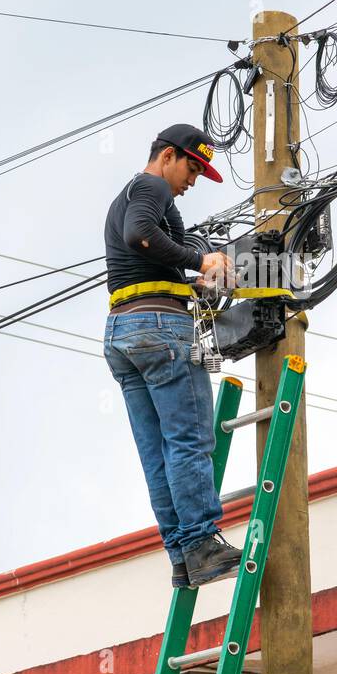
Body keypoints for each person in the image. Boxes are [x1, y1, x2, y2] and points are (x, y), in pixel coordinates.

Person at [103, 124, 243, 589]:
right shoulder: (151, 186)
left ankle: (183, 555)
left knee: (158, 454)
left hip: (124, 333)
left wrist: (195, 273)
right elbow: (140, 235)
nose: (193, 180)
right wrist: (202, 262)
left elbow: (157, 250)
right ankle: (202, 542)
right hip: (160, 329)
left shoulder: (135, 196)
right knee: (190, 440)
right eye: (193, 167)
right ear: (167, 156)